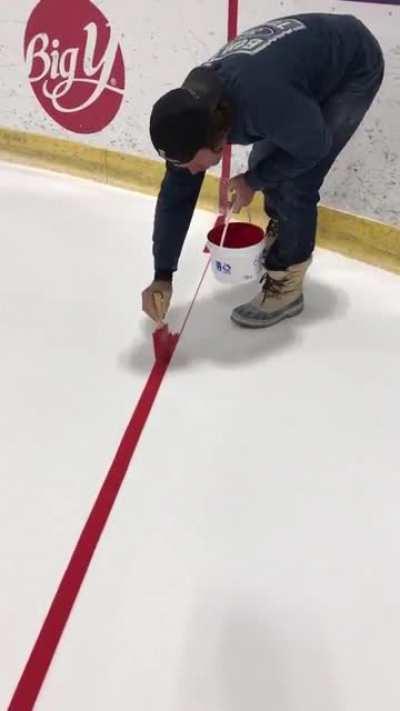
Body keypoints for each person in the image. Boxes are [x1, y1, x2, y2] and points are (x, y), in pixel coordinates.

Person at [142, 13, 384, 329]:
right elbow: (177, 195)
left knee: (297, 181)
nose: (188, 170)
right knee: (268, 163)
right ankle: (284, 228)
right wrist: (163, 275)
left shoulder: (261, 100)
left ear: (214, 138)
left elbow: (314, 146)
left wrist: (253, 181)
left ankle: (287, 284)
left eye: (190, 163)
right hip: (293, 74)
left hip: (353, 65)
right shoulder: (192, 119)